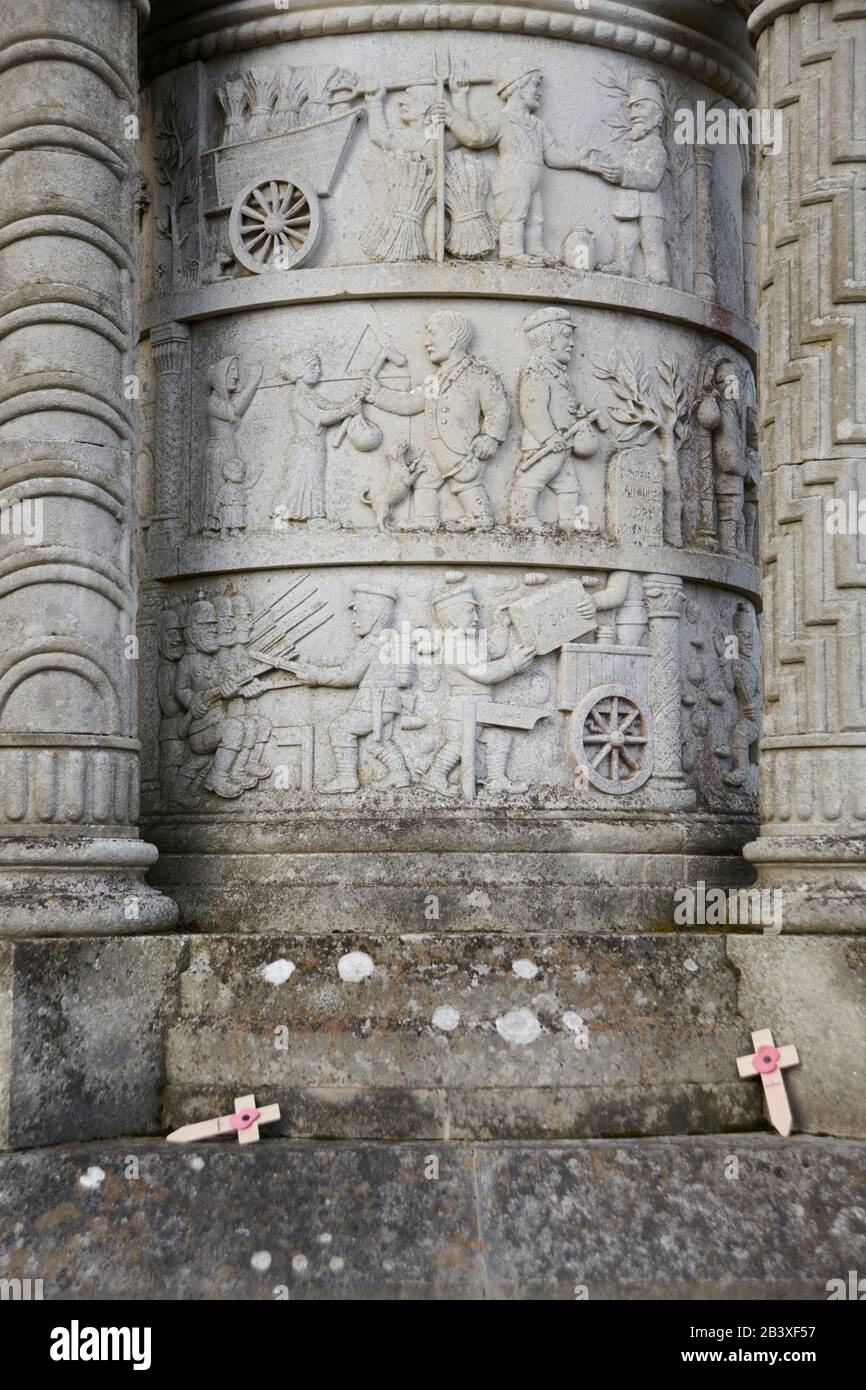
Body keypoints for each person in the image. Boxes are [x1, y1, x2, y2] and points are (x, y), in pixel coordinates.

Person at [365, 310, 508, 530]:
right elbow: (412, 402)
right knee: (424, 479)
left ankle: (480, 516)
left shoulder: (479, 374)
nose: (426, 342)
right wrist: (378, 394)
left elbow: (497, 409)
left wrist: (490, 437)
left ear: (452, 339)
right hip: (436, 448)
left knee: (464, 480)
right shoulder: (435, 379)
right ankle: (426, 519)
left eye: (432, 334)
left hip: (462, 448)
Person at [442, 63, 591, 263]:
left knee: (535, 218)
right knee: (514, 214)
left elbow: (553, 155)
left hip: (533, 178)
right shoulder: (501, 119)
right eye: (535, 85)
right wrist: (451, 117)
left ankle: (535, 248)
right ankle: (511, 251)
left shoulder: (537, 124)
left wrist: (581, 159)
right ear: (518, 86)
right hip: (512, 175)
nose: (539, 92)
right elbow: (475, 137)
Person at [287, 584, 412, 794]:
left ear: (376, 614)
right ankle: (400, 773)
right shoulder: (393, 640)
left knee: (341, 728)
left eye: (358, 612)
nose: (354, 619)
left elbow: (348, 675)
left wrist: (316, 675)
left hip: (372, 702)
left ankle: (347, 778)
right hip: (388, 703)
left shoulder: (371, 644)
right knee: (378, 740)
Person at [511, 306, 602, 531]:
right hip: (545, 444)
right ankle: (521, 516)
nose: (571, 343)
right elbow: (532, 410)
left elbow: (560, 403)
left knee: (569, 485)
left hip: (562, 444)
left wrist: (577, 412)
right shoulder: (537, 370)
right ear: (550, 340)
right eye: (566, 337)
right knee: (533, 479)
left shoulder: (558, 371)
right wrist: (548, 437)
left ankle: (570, 521)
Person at [274, 351, 365, 521]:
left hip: (315, 444)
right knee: (299, 482)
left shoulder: (311, 394)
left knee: (313, 480)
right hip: (305, 445)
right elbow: (319, 418)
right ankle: (292, 518)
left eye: (319, 366)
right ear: (300, 370)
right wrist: (346, 410)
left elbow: (331, 407)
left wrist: (351, 402)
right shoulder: (298, 396)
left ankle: (312, 516)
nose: (319, 371)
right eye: (313, 366)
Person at [200, 356, 262, 534]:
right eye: (232, 371)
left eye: (236, 370)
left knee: (232, 491)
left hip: (229, 447)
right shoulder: (213, 402)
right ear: (220, 376)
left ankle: (229, 525)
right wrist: (253, 382)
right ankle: (213, 526)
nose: (236, 376)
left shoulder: (223, 401)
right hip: (219, 451)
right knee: (219, 491)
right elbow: (235, 411)